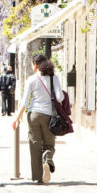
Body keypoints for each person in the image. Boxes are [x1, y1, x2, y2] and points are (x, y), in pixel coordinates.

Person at [12, 54, 64, 184]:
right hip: (49, 115)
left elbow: (24, 102)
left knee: (34, 146)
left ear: (35, 64)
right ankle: (47, 159)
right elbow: (60, 97)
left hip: (33, 115)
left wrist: (16, 119)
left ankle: (37, 177)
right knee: (49, 144)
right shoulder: (54, 78)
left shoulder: (31, 80)